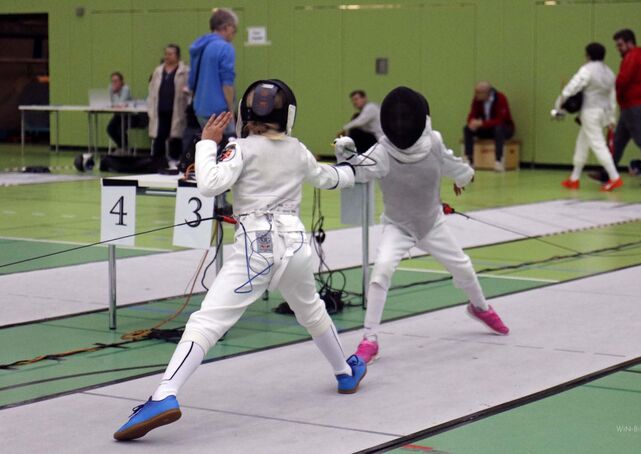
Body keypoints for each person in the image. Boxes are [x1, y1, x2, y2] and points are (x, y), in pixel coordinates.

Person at [113, 80, 366, 442]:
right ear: (288, 114)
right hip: (296, 247)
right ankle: (344, 372)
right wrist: (353, 164)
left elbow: (209, 184)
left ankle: (164, 393)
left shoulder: (240, 148)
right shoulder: (298, 150)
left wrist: (207, 142)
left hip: (255, 249)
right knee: (311, 310)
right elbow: (333, 178)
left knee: (207, 322)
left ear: (247, 112)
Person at [335, 86, 510, 365]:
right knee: (380, 272)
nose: (401, 124)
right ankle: (370, 339)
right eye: (397, 118)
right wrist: (346, 156)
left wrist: (464, 176)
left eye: (406, 117)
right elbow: (358, 171)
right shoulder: (382, 151)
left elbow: (453, 164)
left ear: (419, 119)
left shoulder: (434, 142)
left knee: (463, 266)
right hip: (398, 226)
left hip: (432, 223)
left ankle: (480, 307)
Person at [589, 29, 641, 188]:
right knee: (618, 141)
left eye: (620, 45)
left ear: (630, 43)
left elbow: (623, 80)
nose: (618, 49)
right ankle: (607, 173)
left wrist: (609, 94)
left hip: (633, 105)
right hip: (637, 104)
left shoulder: (632, 57)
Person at [552, 43, 622, 192]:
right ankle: (574, 178)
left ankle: (614, 177)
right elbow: (612, 97)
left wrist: (558, 105)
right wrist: (612, 118)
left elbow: (572, 88)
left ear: (588, 55)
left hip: (590, 112)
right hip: (603, 113)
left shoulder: (587, 70)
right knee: (582, 143)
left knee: (598, 144)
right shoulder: (609, 72)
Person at [188, 8, 238, 137]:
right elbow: (227, 83)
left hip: (200, 109)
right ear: (227, 27)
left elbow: (191, 81)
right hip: (220, 111)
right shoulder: (225, 47)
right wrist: (231, 110)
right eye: (234, 29)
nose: (234, 34)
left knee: (208, 143)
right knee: (227, 145)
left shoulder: (199, 46)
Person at [147, 44, 189, 167]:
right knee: (159, 137)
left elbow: (189, 89)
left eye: (170, 54)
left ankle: (175, 162)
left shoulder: (185, 71)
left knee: (176, 136)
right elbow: (152, 89)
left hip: (177, 109)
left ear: (177, 56)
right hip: (160, 109)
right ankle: (157, 163)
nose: (167, 56)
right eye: (166, 54)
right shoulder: (158, 71)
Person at [463, 82, 514, 171]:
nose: (476, 95)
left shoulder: (500, 98)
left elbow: (501, 119)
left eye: (478, 92)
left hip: (504, 128)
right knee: (467, 129)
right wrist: (472, 122)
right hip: (486, 128)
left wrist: (482, 123)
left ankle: (498, 160)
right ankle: (469, 159)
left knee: (498, 129)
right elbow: (472, 114)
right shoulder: (477, 100)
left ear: (486, 93)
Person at [106, 72, 132, 149]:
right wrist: (112, 92)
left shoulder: (126, 89)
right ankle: (121, 147)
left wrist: (115, 94)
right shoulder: (110, 88)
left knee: (120, 130)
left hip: (129, 115)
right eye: (112, 81)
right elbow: (108, 102)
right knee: (110, 129)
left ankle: (125, 148)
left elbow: (121, 103)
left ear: (121, 82)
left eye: (116, 81)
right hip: (118, 115)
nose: (114, 83)